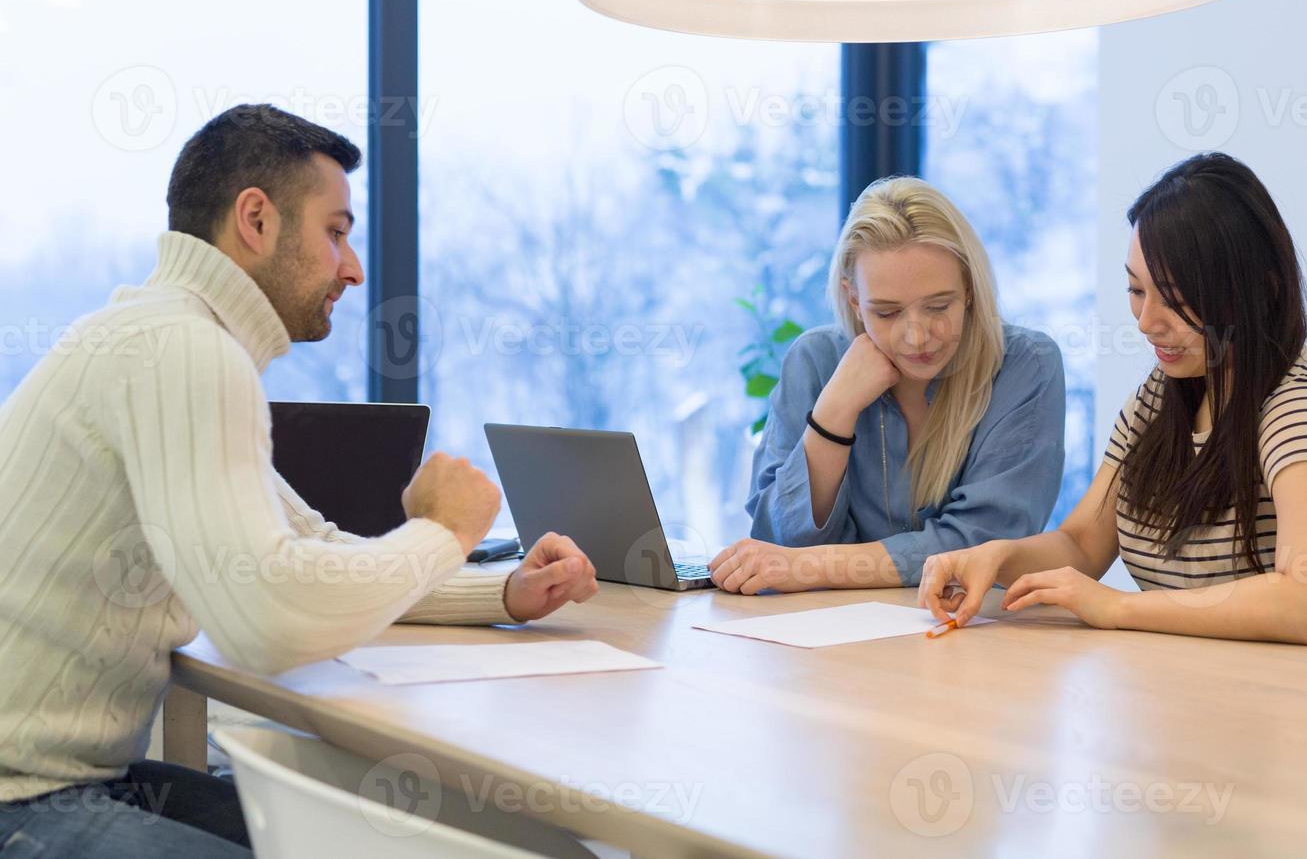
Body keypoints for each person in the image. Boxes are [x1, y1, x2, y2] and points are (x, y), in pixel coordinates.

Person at [0, 105, 600, 856]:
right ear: (255, 219)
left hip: (60, 780)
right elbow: (270, 620)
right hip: (26, 799)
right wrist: (442, 531)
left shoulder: (159, 335)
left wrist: (498, 590)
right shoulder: (183, 351)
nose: (352, 268)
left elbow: (308, 548)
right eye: (337, 232)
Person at [919, 153, 1307, 646]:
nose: (1146, 321)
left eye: (1174, 297)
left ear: (1258, 288)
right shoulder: (1161, 397)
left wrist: (1118, 605)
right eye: (1136, 289)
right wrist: (996, 556)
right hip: (1203, 698)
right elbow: (1082, 544)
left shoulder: (1304, 407)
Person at [712, 176, 1066, 594]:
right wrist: (834, 412)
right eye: (887, 313)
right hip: (830, 636)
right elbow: (776, 542)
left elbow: (982, 541)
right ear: (853, 300)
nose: (916, 337)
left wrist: (811, 567)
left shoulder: (1026, 365)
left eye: (938, 306)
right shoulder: (816, 361)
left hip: (975, 635)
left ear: (969, 289)